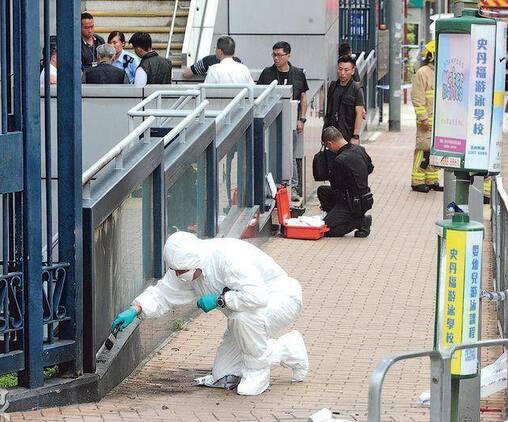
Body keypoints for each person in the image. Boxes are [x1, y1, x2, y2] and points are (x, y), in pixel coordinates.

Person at [110, 231, 309, 396]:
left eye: (182, 271)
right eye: (176, 271)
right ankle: (288, 349)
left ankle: (258, 372)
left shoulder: (227, 258)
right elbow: (163, 293)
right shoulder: (185, 265)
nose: (179, 276)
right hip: (244, 313)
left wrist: (221, 300)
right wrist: (135, 309)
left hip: (281, 298)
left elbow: (257, 297)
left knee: (242, 319)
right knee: (224, 375)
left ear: (195, 262)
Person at [257, 41, 309, 201]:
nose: (276, 58)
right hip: (271, 122)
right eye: (274, 54)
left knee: (290, 155)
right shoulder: (267, 73)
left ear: (288, 55)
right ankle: (269, 187)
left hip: (291, 122)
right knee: (269, 153)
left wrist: (302, 119)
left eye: (280, 55)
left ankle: (292, 187)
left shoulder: (298, 74)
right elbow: (260, 95)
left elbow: (303, 97)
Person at [317, 127, 373, 238]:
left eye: (327, 146)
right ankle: (338, 217)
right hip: (365, 198)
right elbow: (370, 168)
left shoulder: (340, 160)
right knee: (322, 191)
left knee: (325, 230)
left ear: (330, 143)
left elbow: (336, 186)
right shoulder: (359, 149)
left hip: (351, 203)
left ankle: (360, 221)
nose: (328, 149)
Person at [410, 40, 441, 193]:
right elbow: (417, 98)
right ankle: (417, 181)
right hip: (426, 119)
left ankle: (432, 179)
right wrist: (422, 118)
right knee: (423, 149)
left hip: (438, 120)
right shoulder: (423, 73)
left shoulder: (440, 72)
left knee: (435, 150)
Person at [323, 56, 365, 146]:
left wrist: (356, 136)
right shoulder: (333, 86)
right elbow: (328, 111)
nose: (342, 73)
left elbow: (359, 113)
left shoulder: (357, 89)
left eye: (346, 70)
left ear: (353, 71)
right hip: (332, 134)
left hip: (348, 136)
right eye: (340, 69)